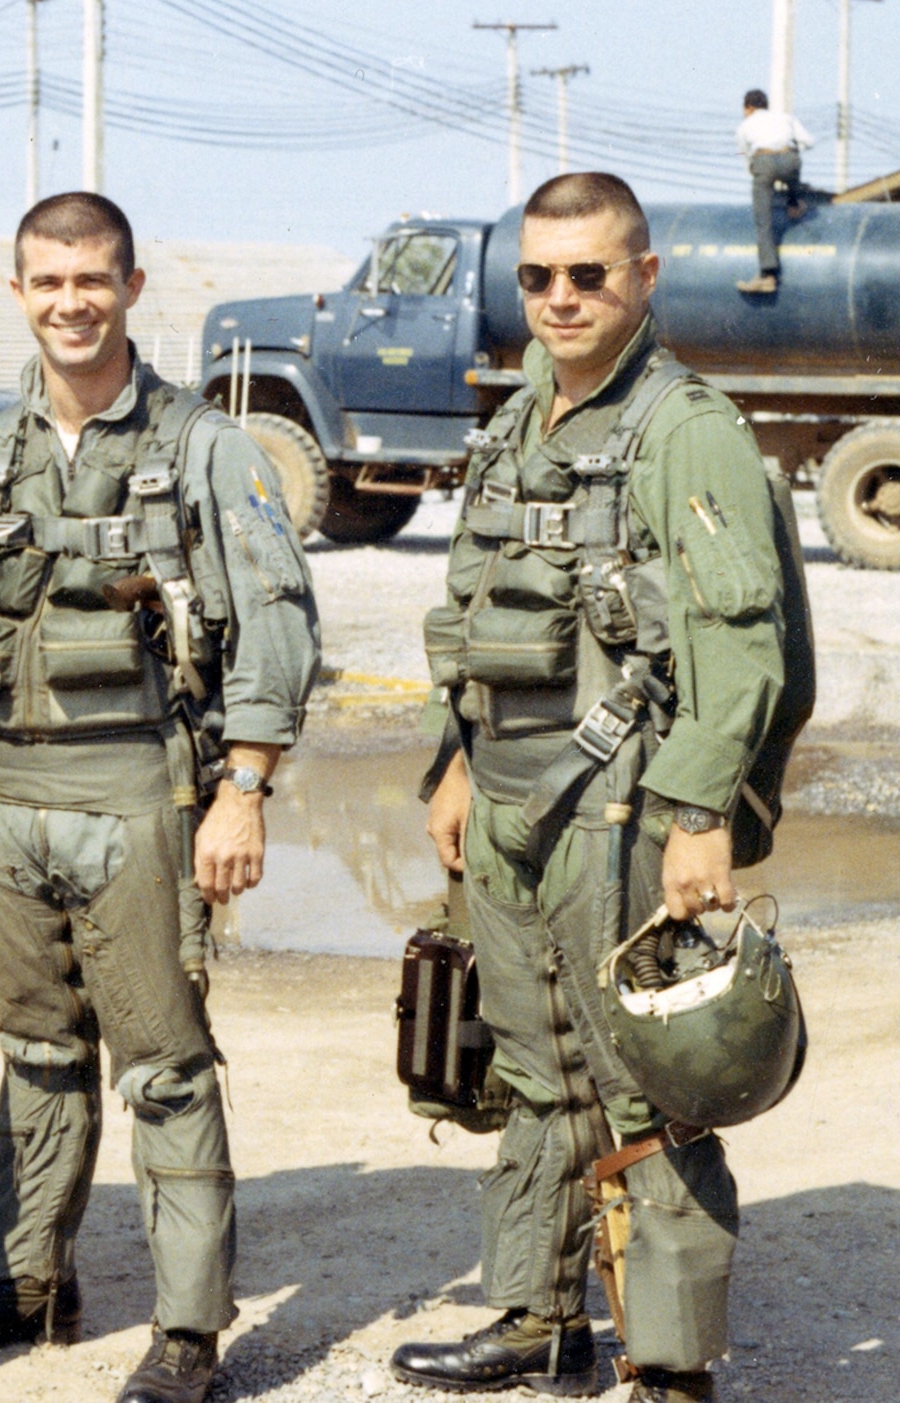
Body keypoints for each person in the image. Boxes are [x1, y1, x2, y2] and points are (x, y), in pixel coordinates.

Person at [0, 193, 321, 1403]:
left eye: (92, 279)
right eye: (46, 282)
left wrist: (241, 790)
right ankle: (22, 1281)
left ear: (132, 287)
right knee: (32, 1049)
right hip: (5, 795)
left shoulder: (204, 449)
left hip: (139, 791)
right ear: (18, 293)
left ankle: (186, 1329)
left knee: (165, 1064)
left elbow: (278, 628)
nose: (69, 301)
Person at [394, 172, 790, 1403]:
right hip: (507, 796)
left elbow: (741, 645)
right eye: (536, 277)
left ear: (644, 277)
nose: (559, 298)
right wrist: (454, 760)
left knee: (642, 1079)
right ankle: (534, 1312)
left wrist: (696, 817)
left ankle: (668, 1361)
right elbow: (466, 613)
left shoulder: (685, 428)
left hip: (621, 798)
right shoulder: (514, 423)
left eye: (587, 274)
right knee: (528, 1061)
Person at [735, 88, 815, 294]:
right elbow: (809, 141)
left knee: (763, 218)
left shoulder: (744, 126)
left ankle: (767, 274)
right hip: (790, 160)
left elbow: (745, 159)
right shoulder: (785, 118)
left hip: (763, 160)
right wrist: (790, 153)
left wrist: (759, 170)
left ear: (749, 108)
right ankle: (795, 203)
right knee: (793, 179)